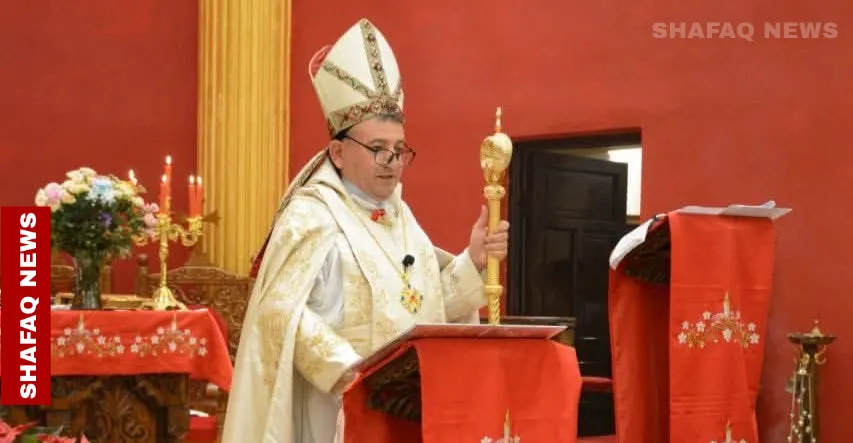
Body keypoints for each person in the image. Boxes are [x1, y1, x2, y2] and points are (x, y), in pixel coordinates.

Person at [221, 18, 510, 443]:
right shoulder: (311, 215)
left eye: (399, 150)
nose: (391, 162)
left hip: (406, 412)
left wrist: (473, 262)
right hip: (338, 409)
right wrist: (351, 370)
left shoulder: (402, 219)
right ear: (338, 152)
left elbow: (423, 309)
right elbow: (281, 316)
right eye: (377, 149)